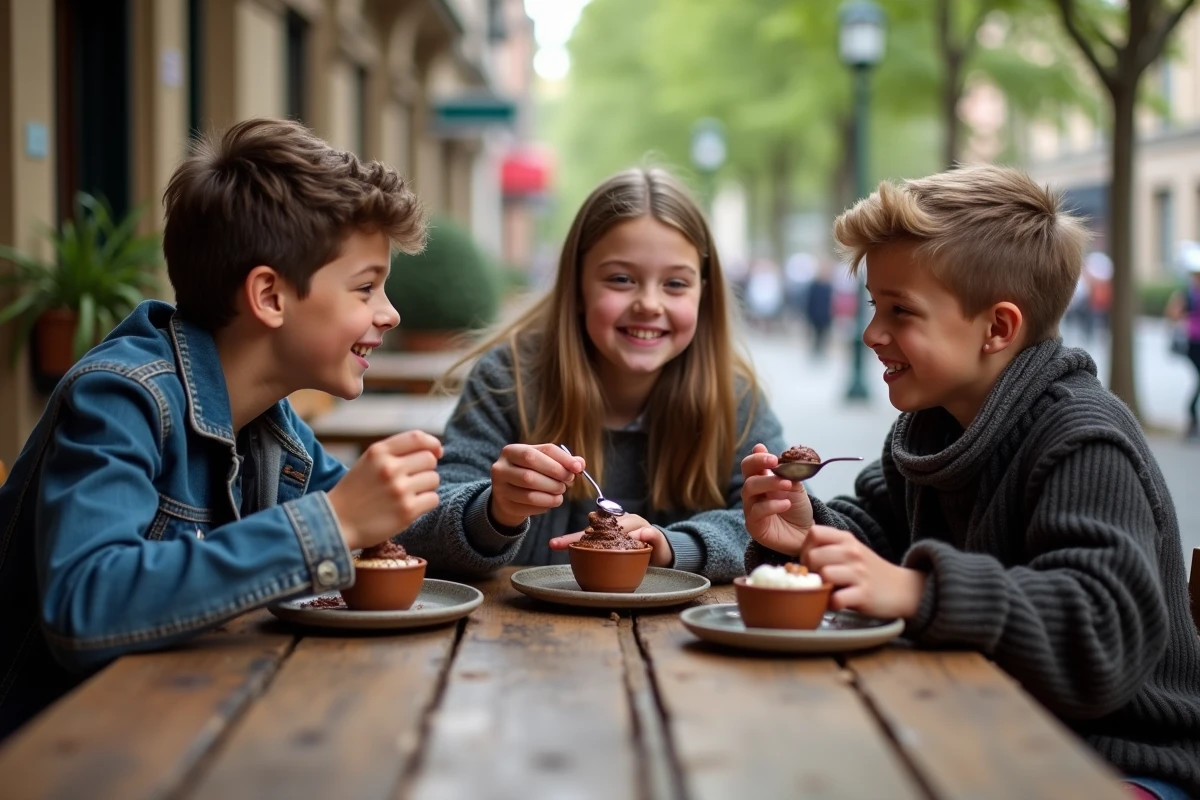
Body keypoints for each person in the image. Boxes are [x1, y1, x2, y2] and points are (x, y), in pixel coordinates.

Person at [740, 165, 1199, 797]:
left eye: (901, 312)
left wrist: (918, 590)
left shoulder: (1083, 438)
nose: (872, 333)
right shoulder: (936, 426)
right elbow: (877, 537)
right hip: (979, 727)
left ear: (998, 329)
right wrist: (805, 530)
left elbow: (1098, 636)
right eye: (876, 306)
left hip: (1120, 761)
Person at [0, 118, 444, 740]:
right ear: (269, 296)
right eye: (366, 287)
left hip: (174, 730)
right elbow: (86, 604)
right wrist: (333, 524)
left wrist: (495, 511)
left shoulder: (267, 419)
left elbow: (383, 521)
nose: (390, 313)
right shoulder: (121, 397)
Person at [402, 168, 785, 581]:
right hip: (522, 637)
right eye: (621, 279)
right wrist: (494, 510)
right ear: (578, 285)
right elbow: (422, 522)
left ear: (703, 294)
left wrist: (675, 546)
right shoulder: (508, 380)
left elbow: (784, 524)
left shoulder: (732, 396)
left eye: (675, 284)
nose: (649, 304)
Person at [1165, 260, 1200, 441]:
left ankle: (1193, 418)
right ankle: (1192, 416)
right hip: (1193, 343)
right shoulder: (1187, 294)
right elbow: (1172, 314)